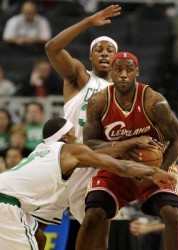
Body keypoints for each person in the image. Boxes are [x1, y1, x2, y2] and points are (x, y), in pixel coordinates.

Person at [29, 4, 126, 248]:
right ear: (91, 57)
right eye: (99, 50)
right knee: (29, 224)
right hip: (64, 160)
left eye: (110, 50)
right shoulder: (80, 77)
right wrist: (88, 22)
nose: (104, 54)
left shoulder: (127, 96)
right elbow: (52, 47)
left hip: (96, 165)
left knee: (99, 234)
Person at [0, 117, 174, 249]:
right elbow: (119, 166)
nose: (76, 136)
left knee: (39, 237)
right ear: (66, 136)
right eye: (73, 132)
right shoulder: (71, 150)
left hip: (9, 199)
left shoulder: (41, 150)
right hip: (6, 204)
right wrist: (153, 171)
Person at [75, 52, 178, 250]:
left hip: (155, 165)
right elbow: (89, 144)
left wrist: (158, 170)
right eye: (118, 70)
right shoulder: (98, 102)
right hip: (115, 168)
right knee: (92, 216)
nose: (124, 75)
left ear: (137, 72)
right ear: (111, 72)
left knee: (173, 215)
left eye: (129, 70)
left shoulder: (154, 102)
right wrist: (125, 146)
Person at [129, 159, 178, 250]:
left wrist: (147, 229)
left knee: (164, 234)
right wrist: (145, 226)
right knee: (149, 235)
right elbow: (165, 220)